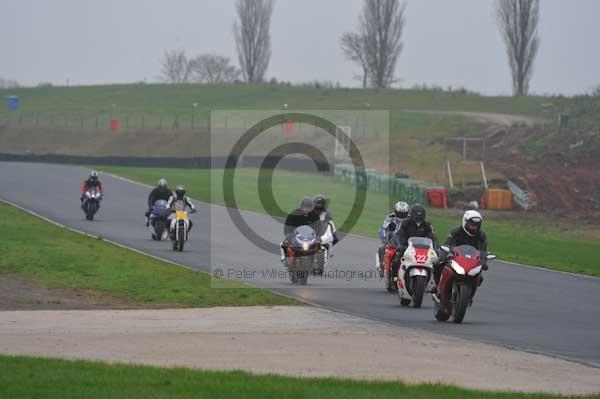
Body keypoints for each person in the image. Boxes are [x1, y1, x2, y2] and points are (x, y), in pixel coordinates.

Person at [432, 210, 488, 289]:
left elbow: (483, 250)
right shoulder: (456, 231)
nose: (474, 227)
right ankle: (437, 285)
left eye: (476, 225)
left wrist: (483, 261)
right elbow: (448, 243)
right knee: (438, 264)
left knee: (479, 277)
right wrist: (448, 253)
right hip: (455, 257)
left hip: (471, 261)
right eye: (471, 224)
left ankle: (469, 294)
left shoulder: (481, 235)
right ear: (465, 222)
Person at [388, 204, 439, 281]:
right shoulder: (405, 223)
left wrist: (436, 248)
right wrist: (399, 244)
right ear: (412, 214)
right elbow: (399, 235)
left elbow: (433, 238)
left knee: (437, 262)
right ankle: (394, 278)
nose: (418, 218)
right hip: (406, 247)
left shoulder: (427, 225)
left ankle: (434, 283)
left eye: (420, 216)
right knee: (396, 260)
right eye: (416, 216)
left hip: (423, 249)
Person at [280, 197, 320, 263]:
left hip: (310, 236)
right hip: (296, 235)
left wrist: (318, 235)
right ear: (301, 206)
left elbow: (318, 227)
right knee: (284, 244)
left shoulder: (315, 215)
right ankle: (285, 258)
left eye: (309, 207)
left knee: (319, 245)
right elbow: (287, 225)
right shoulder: (294, 214)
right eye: (305, 207)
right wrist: (288, 233)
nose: (306, 209)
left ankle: (317, 260)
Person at [377, 201, 409, 272]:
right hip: (392, 240)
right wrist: (385, 238)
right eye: (400, 213)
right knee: (382, 249)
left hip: (405, 241)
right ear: (395, 211)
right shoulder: (390, 218)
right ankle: (382, 266)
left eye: (404, 213)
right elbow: (383, 229)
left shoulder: (410, 219)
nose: (402, 215)